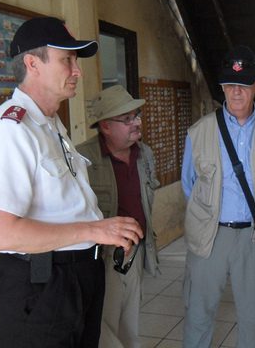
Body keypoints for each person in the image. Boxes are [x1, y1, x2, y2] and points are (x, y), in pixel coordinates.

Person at [0, 17, 143, 348]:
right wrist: (94, 230)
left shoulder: (48, 125)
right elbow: (1, 233)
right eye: (67, 60)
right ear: (32, 64)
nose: (78, 71)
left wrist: (100, 233)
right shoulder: (9, 131)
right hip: (41, 286)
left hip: (76, 277)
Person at [181, 45, 255, 348]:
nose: (236, 92)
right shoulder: (199, 132)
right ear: (222, 87)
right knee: (199, 314)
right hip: (209, 235)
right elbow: (189, 185)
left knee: (252, 318)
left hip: (253, 237)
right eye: (230, 85)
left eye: (244, 84)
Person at [75, 85, 160, 348]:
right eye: (127, 119)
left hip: (135, 251)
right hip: (103, 257)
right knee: (104, 326)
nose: (136, 123)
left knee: (129, 322)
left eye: (136, 115)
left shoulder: (144, 154)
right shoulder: (82, 158)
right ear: (105, 126)